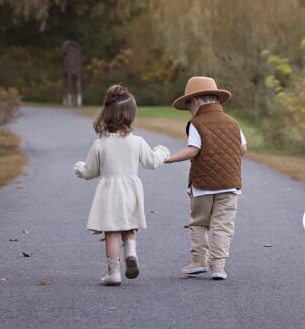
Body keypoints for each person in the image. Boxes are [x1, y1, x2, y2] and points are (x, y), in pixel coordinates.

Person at [74, 84, 170, 286]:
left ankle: (113, 273)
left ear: (107, 114)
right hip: (131, 191)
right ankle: (131, 253)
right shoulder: (138, 142)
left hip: (109, 193)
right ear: (130, 115)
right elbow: (151, 162)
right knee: (129, 226)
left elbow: (90, 171)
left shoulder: (100, 144)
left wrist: (79, 168)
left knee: (111, 231)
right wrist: (162, 151)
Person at [165, 76, 246, 281]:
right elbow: (242, 148)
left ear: (194, 102)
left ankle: (198, 261)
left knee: (199, 222)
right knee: (223, 225)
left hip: (203, 186)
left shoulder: (196, 123)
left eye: (188, 106)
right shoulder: (233, 123)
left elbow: (193, 150)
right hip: (230, 184)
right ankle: (218, 266)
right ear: (218, 101)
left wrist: (170, 159)